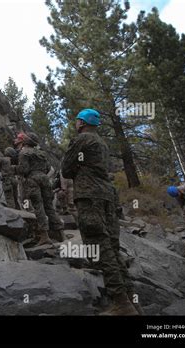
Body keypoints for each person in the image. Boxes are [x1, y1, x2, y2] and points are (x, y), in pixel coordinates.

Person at [62, 108, 139, 315]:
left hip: (90, 196)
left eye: (77, 120)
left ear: (82, 122)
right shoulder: (103, 143)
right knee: (112, 248)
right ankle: (132, 300)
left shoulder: (82, 139)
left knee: (100, 245)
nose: (75, 124)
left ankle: (121, 303)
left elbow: (66, 169)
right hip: (108, 197)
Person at [14, 132, 64, 244]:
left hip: (33, 180)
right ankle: (61, 233)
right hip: (45, 180)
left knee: (39, 207)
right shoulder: (42, 153)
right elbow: (48, 168)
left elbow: (24, 170)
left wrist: (12, 169)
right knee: (49, 207)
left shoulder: (24, 153)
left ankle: (45, 236)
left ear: (26, 141)